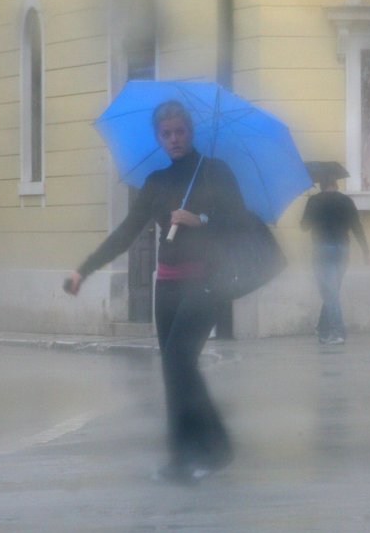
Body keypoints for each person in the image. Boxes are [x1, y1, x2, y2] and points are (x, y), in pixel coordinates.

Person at [65, 100, 245, 483]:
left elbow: (241, 223)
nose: (174, 139)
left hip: (206, 284)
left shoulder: (214, 172)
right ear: (158, 137)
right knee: (177, 368)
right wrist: (85, 269)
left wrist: (202, 220)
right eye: (166, 133)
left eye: (180, 131)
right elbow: (127, 232)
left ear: (191, 132)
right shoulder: (157, 182)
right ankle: (217, 445)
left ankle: (184, 458)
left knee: (178, 362)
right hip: (166, 286)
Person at [301, 175, 370, 345]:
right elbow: (356, 227)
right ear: (336, 184)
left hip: (322, 250)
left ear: (321, 184)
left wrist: (313, 211)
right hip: (342, 250)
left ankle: (337, 332)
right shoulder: (346, 201)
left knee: (330, 293)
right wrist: (365, 250)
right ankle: (323, 329)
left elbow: (304, 226)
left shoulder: (314, 201)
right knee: (333, 291)